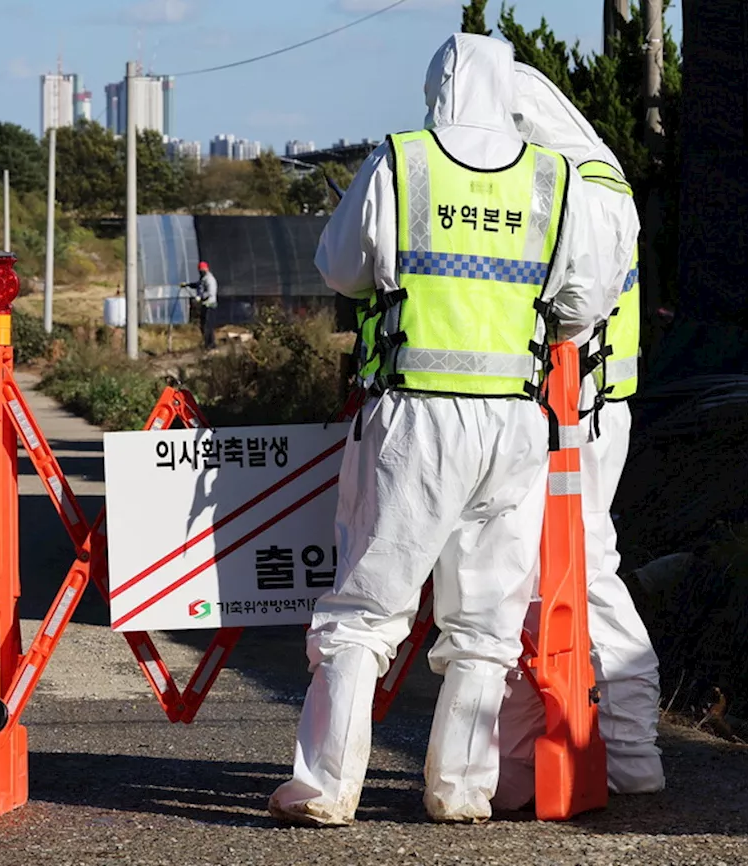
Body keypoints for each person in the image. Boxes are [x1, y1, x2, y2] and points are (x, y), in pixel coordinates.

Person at [267, 33, 608, 827]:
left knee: (366, 610)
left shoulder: (404, 159)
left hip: (414, 414)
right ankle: (460, 790)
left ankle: (326, 787)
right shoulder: (553, 176)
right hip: (515, 420)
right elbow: (582, 305)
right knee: (487, 620)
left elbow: (341, 270)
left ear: (436, 90)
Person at [492, 63, 664, 810]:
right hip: (586, 405)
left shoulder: (580, 184)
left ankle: (628, 749)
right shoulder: (597, 172)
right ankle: (581, 756)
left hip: (577, 411)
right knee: (556, 574)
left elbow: (572, 307)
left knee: (583, 570)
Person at [181, 261, 218, 349]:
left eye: (202, 270)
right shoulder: (203, 278)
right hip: (205, 305)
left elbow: (210, 292)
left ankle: (210, 344)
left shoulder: (210, 279)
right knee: (203, 325)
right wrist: (187, 285)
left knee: (208, 325)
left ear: (206, 269)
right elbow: (198, 285)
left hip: (210, 305)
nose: (200, 272)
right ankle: (207, 343)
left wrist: (200, 297)